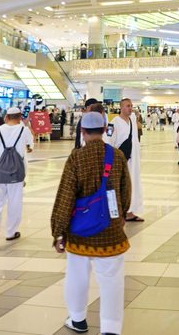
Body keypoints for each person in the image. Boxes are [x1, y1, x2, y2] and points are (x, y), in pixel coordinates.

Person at [51, 112, 131, 335]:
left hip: (80, 233)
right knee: (112, 281)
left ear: (82, 132)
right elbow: (126, 191)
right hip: (111, 231)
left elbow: (66, 197)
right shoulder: (117, 156)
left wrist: (58, 231)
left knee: (77, 275)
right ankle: (110, 328)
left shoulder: (76, 158)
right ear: (105, 129)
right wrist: (121, 216)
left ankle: (78, 320)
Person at [0, 107, 33, 250]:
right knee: (15, 203)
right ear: (20, 117)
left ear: (6, 117)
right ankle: (10, 232)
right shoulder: (24, 130)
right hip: (17, 175)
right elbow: (30, 148)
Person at [104, 98, 144, 223]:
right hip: (122, 161)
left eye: (131, 106)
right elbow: (108, 142)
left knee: (134, 183)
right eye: (127, 106)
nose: (130, 108)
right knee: (123, 186)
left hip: (134, 160)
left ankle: (130, 211)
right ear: (121, 107)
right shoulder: (113, 123)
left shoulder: (132, 119)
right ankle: (123, 212)